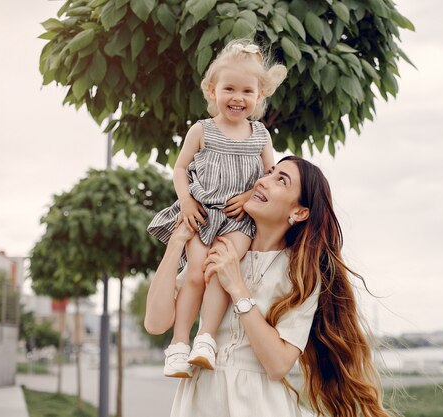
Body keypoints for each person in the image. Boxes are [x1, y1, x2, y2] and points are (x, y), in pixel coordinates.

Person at [144, 156, 391, 417]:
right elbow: (155, 324)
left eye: (281, 180)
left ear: (299, 212)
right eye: (270, 173)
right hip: (199, 402)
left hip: (261, 405)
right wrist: (175, 244)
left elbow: (278, 365)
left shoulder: (301, 275)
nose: (263, 181)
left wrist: (237, 289)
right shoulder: (221, 249)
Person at [147, 39, 287, 377]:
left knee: (219, 272)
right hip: (203, 213)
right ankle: (179, 344)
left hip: (238, 220)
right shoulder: (202, 130)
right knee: (196, 271)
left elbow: (269, 174)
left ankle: (205, 339)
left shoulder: (260, 135)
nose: (237, 98)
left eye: (247, 92)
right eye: (229, 89)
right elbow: (180, 169)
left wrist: (250, 194)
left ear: (258, 97)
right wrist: (186, 199)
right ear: (212, 90)